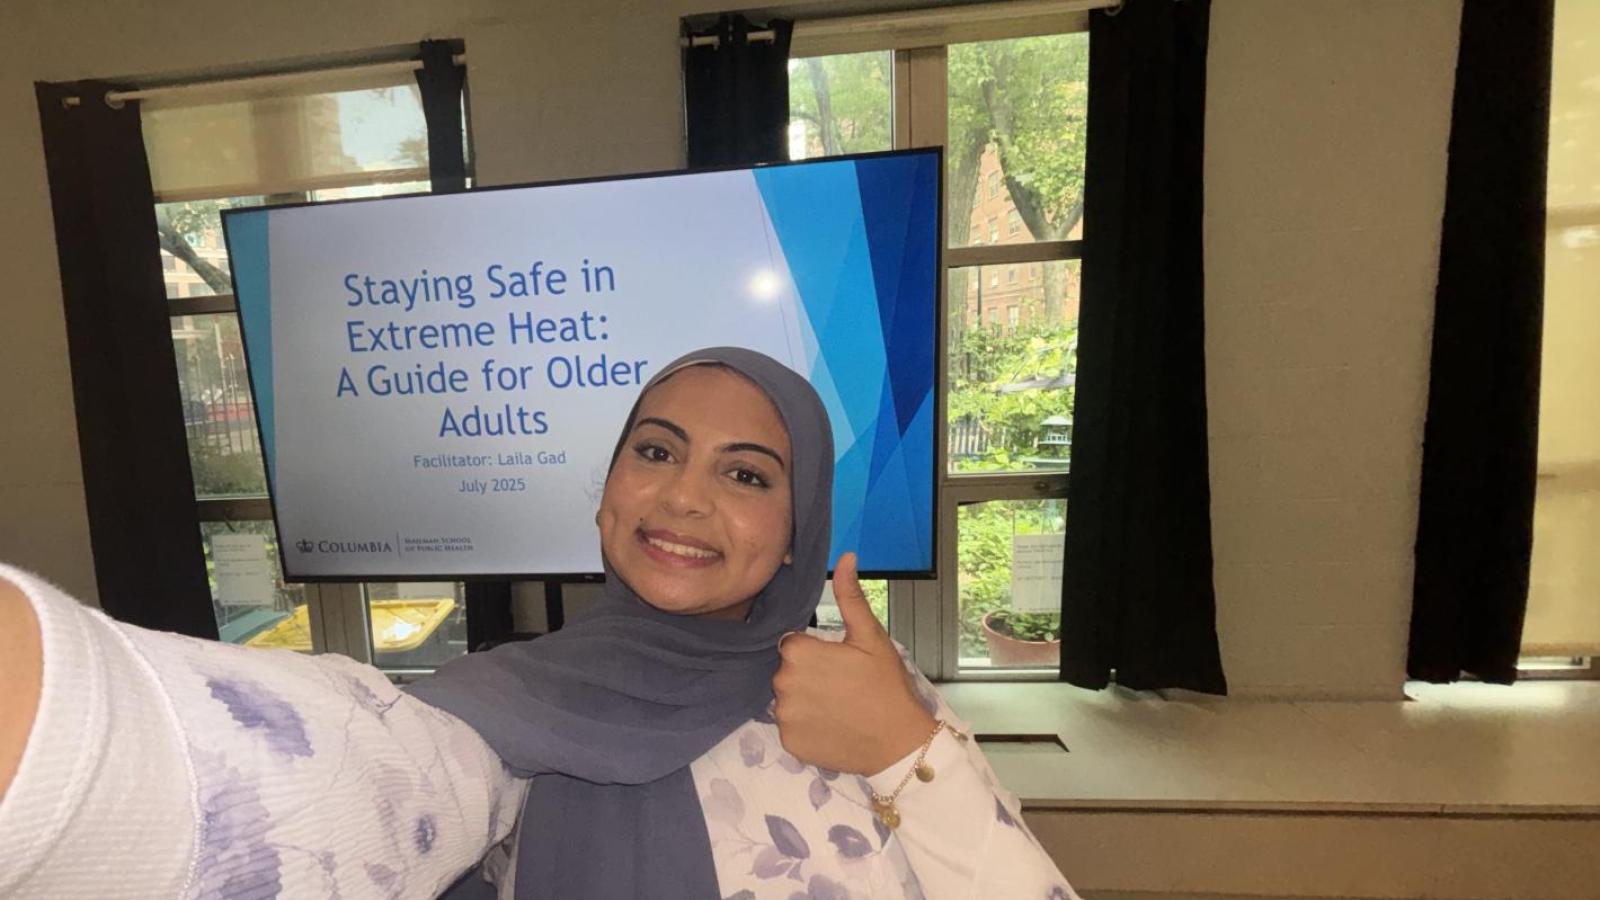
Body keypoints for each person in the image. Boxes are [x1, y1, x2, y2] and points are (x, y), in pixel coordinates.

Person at [0, 346, 1077, 899]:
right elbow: (349, 782)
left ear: (801, 530)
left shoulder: (876, 700)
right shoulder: (515, 709)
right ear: (608, 492)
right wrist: (76, 732)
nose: (684, 497)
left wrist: (903, 753)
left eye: (746, 473)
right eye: (655, 451)